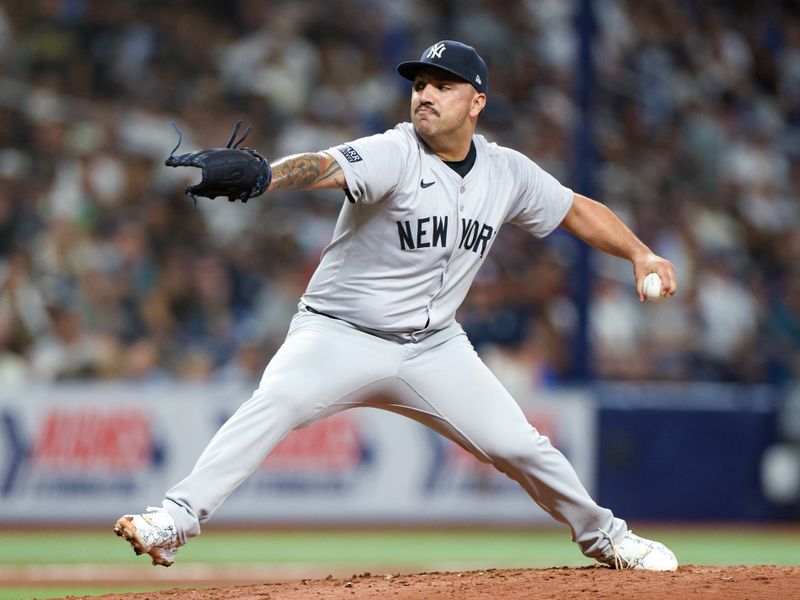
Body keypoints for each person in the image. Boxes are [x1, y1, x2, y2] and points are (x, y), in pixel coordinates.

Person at [114, 40, 678, 571]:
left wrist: (639, 252)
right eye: (420, 84)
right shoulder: (395, 151)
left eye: (443, 86)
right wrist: (265, 175)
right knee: (276, 400)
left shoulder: (506, 171)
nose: (425, 95)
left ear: (477, 101)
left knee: (519, 444)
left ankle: (609, 539)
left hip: (434, 347)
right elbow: (325, 165)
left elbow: (575, 209)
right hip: (338, 335)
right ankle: (175, 520)